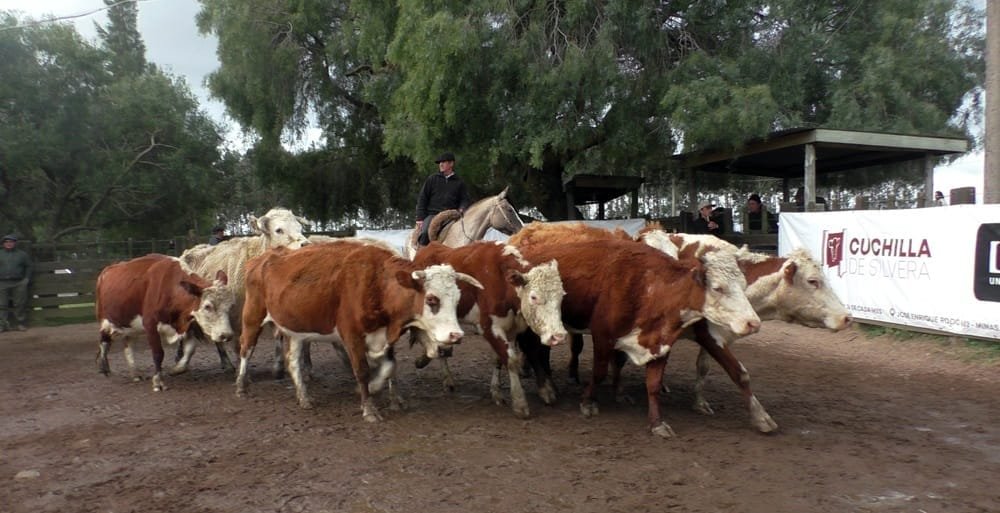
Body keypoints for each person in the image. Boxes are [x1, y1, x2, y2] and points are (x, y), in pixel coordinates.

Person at [415, 152, 472, 246]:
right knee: (425, 234)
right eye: (439, 162)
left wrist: (462, 208)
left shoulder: (459, 182)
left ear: (451, 164)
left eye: (443, 162)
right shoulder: (432, 179)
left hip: (452, 215)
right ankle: (421, 255)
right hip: (433, 215)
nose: (440, 164)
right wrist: (420, 218)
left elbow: (465, 199)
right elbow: (422, 198)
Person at [0, 234, 32, 332]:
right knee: (1, 304)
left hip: (18, 282)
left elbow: (29, 266)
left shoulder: (22, 254)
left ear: (15, 243)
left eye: (11, 242)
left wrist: (26, 279)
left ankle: (20, 323)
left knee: (20, 303)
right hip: (2, 282)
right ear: (3, 244)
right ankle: (2, 325)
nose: (9, 244)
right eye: (7, 242)